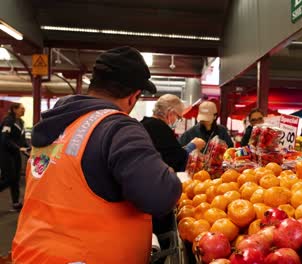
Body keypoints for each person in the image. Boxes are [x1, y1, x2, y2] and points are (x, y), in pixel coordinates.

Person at [12, 46, 182, 264]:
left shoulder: (55, 124)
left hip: (29, 253)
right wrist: (168, 173)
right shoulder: (117, 127)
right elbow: (160, 195)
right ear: (133, 97)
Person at [141, 94, 205, 172]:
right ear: (170, 113)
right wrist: (193, 145)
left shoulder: (144, 124)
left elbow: (170, 151)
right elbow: (177, 160)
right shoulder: (162, 129)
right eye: (178, 117)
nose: (177, 121)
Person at [0, 103, 29, 211]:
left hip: (15, 154)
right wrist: (18, 148)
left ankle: (16, 203)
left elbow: (21, 140)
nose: (23, 110)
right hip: (5, 154)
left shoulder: (21, 122)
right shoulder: (8, 121)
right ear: (14, 109)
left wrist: (28, 148)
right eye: (22, 108)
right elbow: (5, 139)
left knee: (16, 178)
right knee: (9, 178)